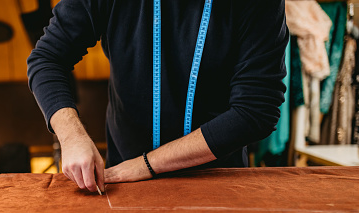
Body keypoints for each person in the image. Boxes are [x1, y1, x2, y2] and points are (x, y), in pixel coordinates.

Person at [27, 0, 288, 193]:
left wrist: (146, 165)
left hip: (216, 180)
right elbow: (48, 58)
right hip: (123, 184)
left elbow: (256, 110)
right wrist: (72, 137)